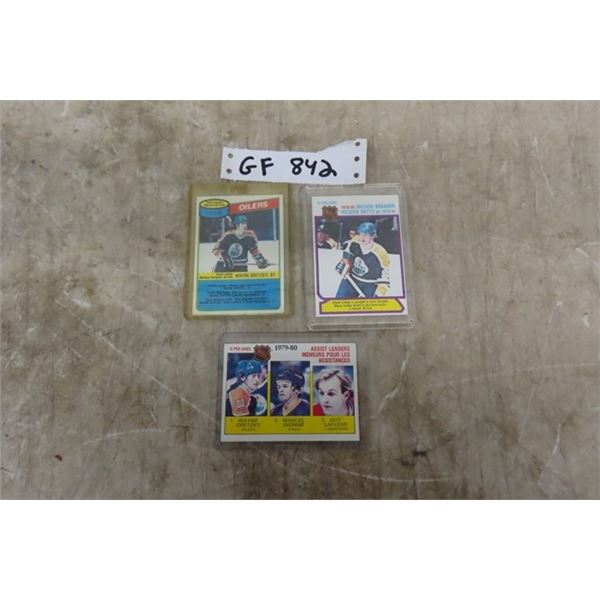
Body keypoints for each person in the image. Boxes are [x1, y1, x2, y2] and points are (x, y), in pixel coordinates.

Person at [334, 221, 390, 298]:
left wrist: (378, 294)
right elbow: (346, 261)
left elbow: (385, 277)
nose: (362, 238)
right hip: (351, 280)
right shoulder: (353, 243)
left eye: (366, 235)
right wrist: (343, 266)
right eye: (361, 234)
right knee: (338, 302)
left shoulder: (381, 253)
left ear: (372, 235)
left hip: (370, 285)